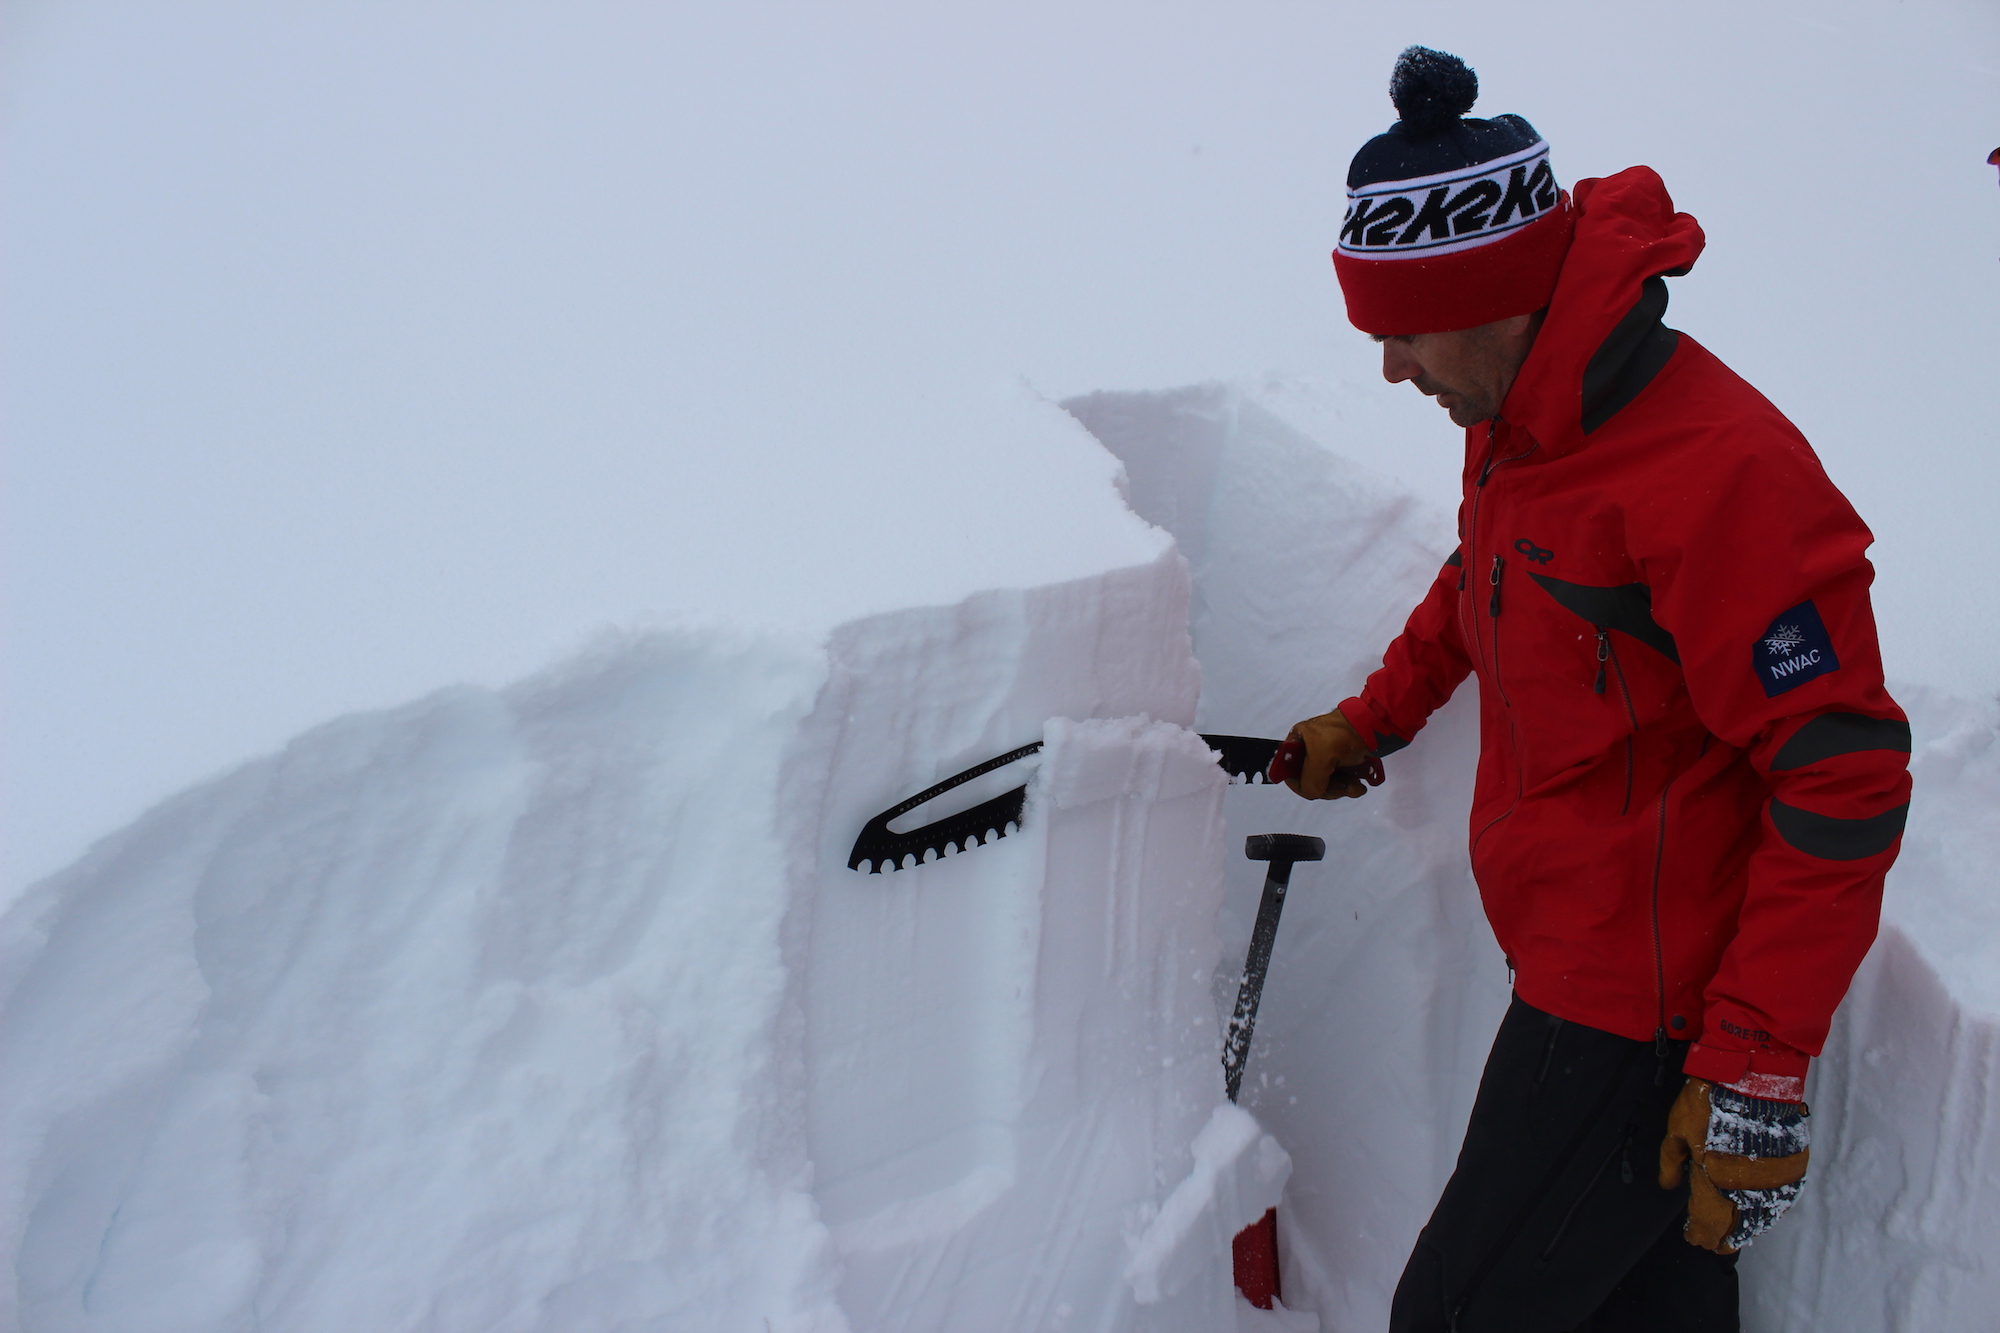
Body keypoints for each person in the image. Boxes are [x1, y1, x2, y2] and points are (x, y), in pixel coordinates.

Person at [1287, 47, 1912, 1332]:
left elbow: (1840, 768)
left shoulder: (1715, 473)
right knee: (1648, 1307)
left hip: (1651, 1017)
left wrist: (1749, 1064)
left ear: (1496, 294)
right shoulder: (1518, 422)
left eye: (1400, 328)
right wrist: (1378, 713)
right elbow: (1490, 577)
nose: (1391, 368)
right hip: (1576, 952)